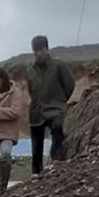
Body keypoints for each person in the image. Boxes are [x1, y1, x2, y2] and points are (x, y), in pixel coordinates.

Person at [26, 36, 75, 176]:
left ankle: (57, 162)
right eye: (35, 51)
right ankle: (36, 174)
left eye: (41, 50)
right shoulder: (30, 69)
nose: (38, 54)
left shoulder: (59, 66)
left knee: (57, 127)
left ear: (47, 49)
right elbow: (31, 89)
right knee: (36, 144)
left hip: (55, 107)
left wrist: (60, 101)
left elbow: (69, 84)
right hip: (36, 110)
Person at [0, 66, 24, 197]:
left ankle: (3, 188)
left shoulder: (15, 92)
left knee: (5, 156)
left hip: (7, 133)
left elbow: (16, 111)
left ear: (2, 79)